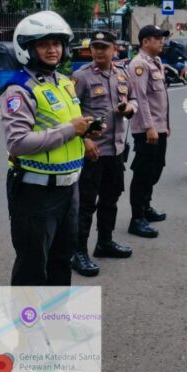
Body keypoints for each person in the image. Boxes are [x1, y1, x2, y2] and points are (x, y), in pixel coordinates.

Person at [0, 11, 97, 286]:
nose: (52, 50)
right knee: (31, 266)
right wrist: (71, 130)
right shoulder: (18, 90)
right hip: (35, 192)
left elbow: (65, 127)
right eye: (44, 44)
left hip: (69, 189)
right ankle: (26, 327)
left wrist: (86, 130)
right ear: (28, 48)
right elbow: (18, 143)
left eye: (56, 43)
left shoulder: (64, 83)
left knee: (61, 260)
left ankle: (56, 322)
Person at [71, 31, 137, 277]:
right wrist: (86, 138)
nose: (98, 51)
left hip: (116, 150)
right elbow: (71, 113)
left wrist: (129, 107)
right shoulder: (81, 77)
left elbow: (134, 100)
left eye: (104, 47)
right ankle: (78, 252)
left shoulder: (123, 73)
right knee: (86, 203)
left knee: (111, 198)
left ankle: (105, 242)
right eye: (95, 47)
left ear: (114, 49)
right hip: (93, 153)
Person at [126, 25, 171, 238]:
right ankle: (137, 218)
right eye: (157, 38)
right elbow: (140, 98)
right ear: (145, 42)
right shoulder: (139, 65)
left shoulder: (156, 62)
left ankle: (146, 207)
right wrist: (149, 127)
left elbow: (160, 98)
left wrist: (164, 125)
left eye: (162, 38)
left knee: (156, 167)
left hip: (158, 126)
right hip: (147, 128)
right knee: (143, 172)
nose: (161, 42)